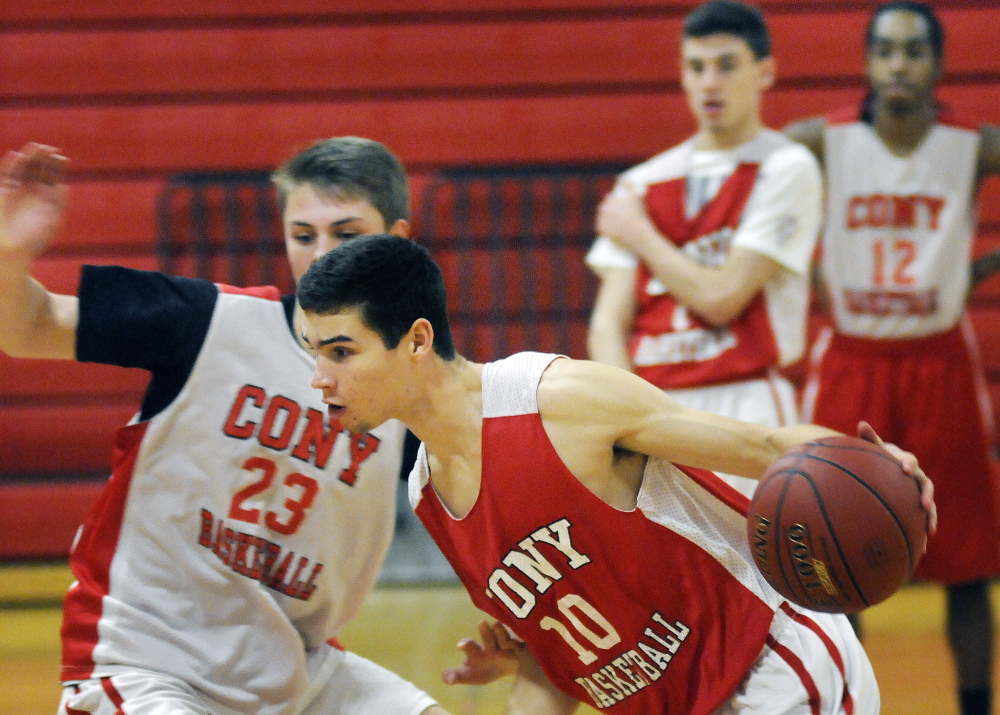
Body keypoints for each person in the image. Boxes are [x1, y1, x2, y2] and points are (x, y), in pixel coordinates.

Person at [298, 233, 937, 715]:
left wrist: (883, 470)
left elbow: (766, 445)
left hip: (771, 667)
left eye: (341, 352)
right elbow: (548, 666)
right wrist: (524, 663)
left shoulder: (555, 401)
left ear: (414, 340)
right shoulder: (427, 494)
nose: (320, 378)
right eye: (314, 354)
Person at [0, 141, 445, 715]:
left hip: (295, 668)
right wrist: (10, 254)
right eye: (304, 235)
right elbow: (26, 327)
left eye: (347, 234)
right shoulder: (206, 322)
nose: (323, 255)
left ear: (398, 238)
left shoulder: (410, 386)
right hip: (149, 662)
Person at [785, 4, 1000, 714]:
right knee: (834, 552)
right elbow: (750, 177)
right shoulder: (824, 138)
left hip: (940, 364)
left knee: (969, 566)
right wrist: (799, 270)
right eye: (885, 51)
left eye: (913, 51)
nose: (899, 64)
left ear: (937, 64)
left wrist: (981, 267)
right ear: (868, 62)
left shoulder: (972, 144)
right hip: (853, 363)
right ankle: (850, 701)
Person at [586, 0, 822, 497]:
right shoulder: (643, 181)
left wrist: (641, 236)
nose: (709, 82)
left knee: (757, 571)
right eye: (696, 67)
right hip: (654, 403)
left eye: (726, 65)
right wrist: (625, 411)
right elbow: (607, 325)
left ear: (765, 72)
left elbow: (723, 299)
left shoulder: (787, 166)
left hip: (748, 397)